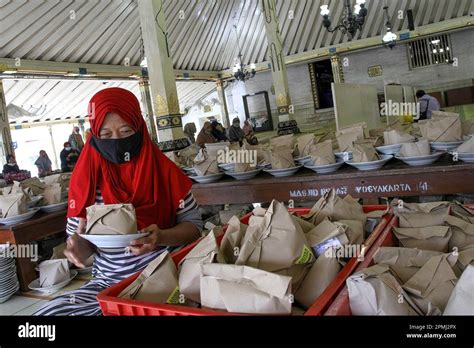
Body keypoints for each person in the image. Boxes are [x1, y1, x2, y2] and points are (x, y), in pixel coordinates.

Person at [34, 87, 202, 316]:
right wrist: (80, 249)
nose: (117, 141)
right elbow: (80, 245)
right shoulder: (86, 181)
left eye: (125, 131)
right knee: (45, 317)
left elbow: (194, 227)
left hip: (167, 274)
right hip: (109, 284)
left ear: (140, 128)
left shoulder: (165, 172)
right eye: (106, 135)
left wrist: (162, 236)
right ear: (94, 136)